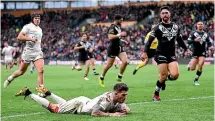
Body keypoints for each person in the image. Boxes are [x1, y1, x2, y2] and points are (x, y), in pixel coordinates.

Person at [142, 6, 192, 101]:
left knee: (175, 75)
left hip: (171, 55)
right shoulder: (157, 28)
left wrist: (186, 49)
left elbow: (179, 40)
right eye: (163, 13)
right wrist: (145, 52)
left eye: (166, 13)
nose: (165, 14)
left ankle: (164, 80)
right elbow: (149, 41)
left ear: (170, 14)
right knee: (163, 75)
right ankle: (156, 94)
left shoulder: (176, 27)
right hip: (160, 54)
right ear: (160, 15)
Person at [15, 83, 130, 117]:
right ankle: (29, 93)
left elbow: (118, 106)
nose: (125, 97)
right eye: (123, 95)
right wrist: (111, 115)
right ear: (116, 93)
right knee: (54, 109)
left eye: (125, 95)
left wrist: (125, 108)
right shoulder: (107, 99)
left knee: (65, 104)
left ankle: (47, 93)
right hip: (79, 106)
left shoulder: (115, 99)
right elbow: (95, 113)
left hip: (84, 101)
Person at [4, 13, 46, 93]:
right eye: (36, 18)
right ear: (33, 19)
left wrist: (40, 49)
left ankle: (40, 91)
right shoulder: (27, 27)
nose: (38, 20)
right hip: (28, 53)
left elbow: (38, 41)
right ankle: (10, 78)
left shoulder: (40, 29)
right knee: (21, 71)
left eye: (39, 18)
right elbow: (19, 37)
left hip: (37, 52)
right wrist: (30, 39)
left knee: (41, 70)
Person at [99, 14, 128, 87]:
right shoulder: (112, 27)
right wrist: (119, 35)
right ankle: (101, 77)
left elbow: (117, 37)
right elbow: (110, 37)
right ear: (117, 20)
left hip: (119, 47)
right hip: (112, 48)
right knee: (109, 65)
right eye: (121, 20)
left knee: (125, 62)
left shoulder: (118, 26)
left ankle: (119, 76)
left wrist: (122, 40)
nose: (122, 21)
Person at [187, 21, 214, 85]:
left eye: (201, 24)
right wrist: (194, 40)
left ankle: (196, 80)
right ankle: (189, 65)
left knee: (201, 64)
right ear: (196, 25)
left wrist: (211, 47)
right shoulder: (193, 33)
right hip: (195, 52)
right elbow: (188, 41)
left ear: (203, 26)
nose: (200, 25)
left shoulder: (206, 34)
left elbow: (209, 42)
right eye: (199, 24)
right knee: (192, 68)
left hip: (202, 52)